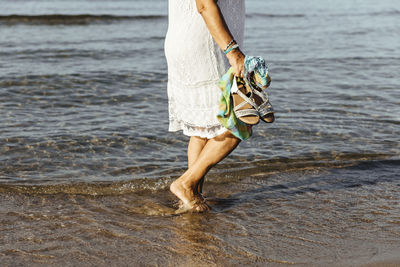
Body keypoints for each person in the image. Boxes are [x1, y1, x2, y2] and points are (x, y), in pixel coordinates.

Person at [164, 0, 246, 212]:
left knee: (201, 129)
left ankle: (191, 197)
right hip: (207, 47)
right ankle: (185, 184)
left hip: (189, 42)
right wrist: (233, 51)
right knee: (237, 122)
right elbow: (204, 4)